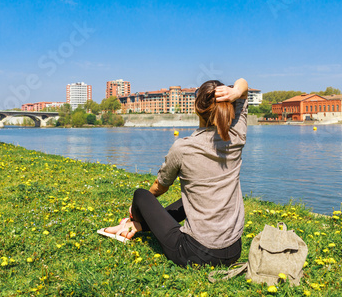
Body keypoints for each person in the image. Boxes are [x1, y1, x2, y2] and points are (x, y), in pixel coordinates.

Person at [98, 78, 249, 267]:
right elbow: (243, 85)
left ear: (196, 107)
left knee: (141, 195)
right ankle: (137, 226)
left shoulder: (183, 148)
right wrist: (235, 92)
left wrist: (141, 209)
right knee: (187, 202)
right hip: (234, 249)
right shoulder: (237, 135)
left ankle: (134, 221)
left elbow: (159, 187)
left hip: (196, 254)